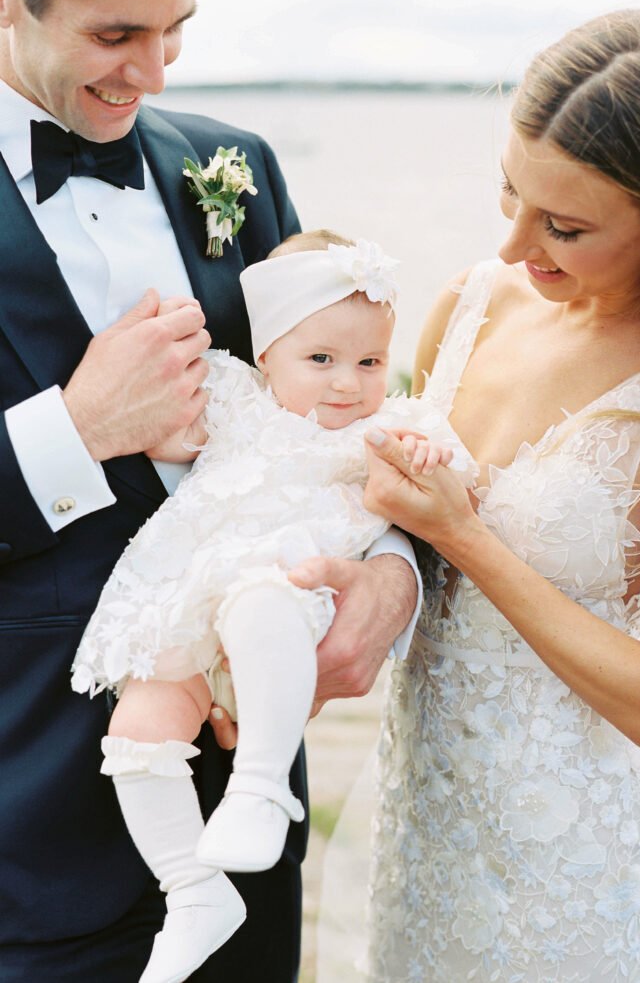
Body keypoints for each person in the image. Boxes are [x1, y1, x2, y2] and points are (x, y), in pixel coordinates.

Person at [0, 0, 419, 980]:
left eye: (175, 32)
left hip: (244, 797)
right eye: (115, 37)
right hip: (29, 811)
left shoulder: (233, 166)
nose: (154, 73)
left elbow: (346, 409)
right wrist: (78, 430)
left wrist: (393, 576)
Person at [71, 230, 477, 983]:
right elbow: (167, 425)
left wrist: (427, 461)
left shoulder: (384, 428)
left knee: (264, 602)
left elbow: (452, 480)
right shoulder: (238, 402)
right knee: (138, 728)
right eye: (320, 360)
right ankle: (192, 890)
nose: (348, 384)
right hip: (192, 618)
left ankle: (262, 786)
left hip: (294, 604)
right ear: (266, 357)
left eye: (367, 362)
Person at [362, 7, 640, 982]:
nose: (511, 248)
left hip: (573, 858)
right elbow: (390, 524)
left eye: (564, 227)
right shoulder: (468, 304)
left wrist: (467, 537)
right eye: (508, 195)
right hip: (423, 821)